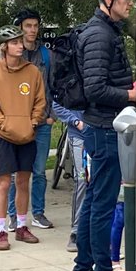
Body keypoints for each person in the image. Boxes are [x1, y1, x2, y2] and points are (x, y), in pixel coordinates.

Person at [65, 0, 136, 271]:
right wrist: (132, 95)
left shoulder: (106, 31)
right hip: (106, 128)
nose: (130, 4)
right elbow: (95, 88)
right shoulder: (99, 35)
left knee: (95, 200)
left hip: (105, 126)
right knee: (103, 205)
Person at [0, 24, 46, 250]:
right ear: (4, 47)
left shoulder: (33, 72)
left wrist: (33, 122)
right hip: (2, 137)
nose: (21, 45)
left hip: (27, 135)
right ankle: (1, 231)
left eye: (21, 42)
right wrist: (6, 125)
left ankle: (21, 226)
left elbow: (40, 101)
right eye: (15, 42)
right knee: (3, 183)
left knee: (23, 182)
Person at [6, 7, 54, 230]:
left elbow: (52, 86)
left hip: (43, 122)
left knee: (40, 170)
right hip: (19, 122)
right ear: (20, 28)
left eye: (35, 26)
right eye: (28, 26)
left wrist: (52, 114)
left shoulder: (46, 55)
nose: (32, 30)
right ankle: (14, 214)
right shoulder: (13, 55)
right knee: (17, 171)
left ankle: (38, 212)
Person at [52, 97, 87, 252]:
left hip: (100, 133)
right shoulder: (68, 75)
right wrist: (75, 122)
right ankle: (76, 232)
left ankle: (99, 232)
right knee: (82, 180)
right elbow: (56, 105)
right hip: (78, 135)